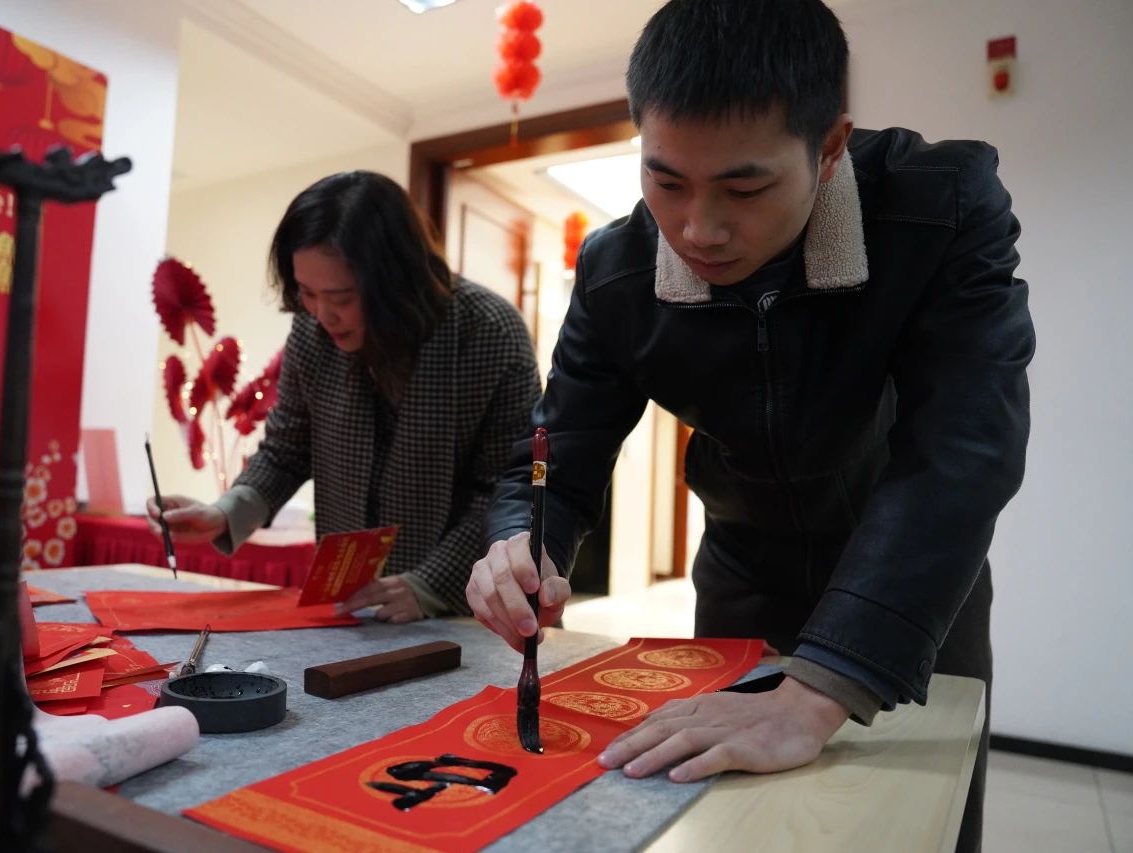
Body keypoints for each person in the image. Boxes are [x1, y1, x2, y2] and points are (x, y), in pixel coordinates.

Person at [467, 1, 1033, 849]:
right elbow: (557, 453)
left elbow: (965, 449)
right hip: (743, 574)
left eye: (744, 188)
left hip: (910, 575)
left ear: (830, 147)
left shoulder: (937, 207)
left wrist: (824, 687)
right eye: (666, 182)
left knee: (913, 824)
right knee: (725, 820)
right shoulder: (616, 271)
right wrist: (522, 541)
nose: (698, 229)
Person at [150, 171, 540, 622]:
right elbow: (286, 450)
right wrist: (224, 513)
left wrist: (430, 586)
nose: (323, 314)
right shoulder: (310, 329)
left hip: (474, 612)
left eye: (342, 297)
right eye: (307, 293)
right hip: (352, 605)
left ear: (396, 281)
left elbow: (508, 488)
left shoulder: (488, 331)